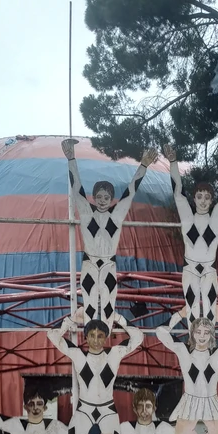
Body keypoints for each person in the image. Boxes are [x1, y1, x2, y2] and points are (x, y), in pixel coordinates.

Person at [47, 313, 143, 434]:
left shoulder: (114, 354)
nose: (97, 340)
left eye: (101, 335)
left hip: (107, 408)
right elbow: (52, 335)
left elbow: (139, 337)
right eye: (92, 335)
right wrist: (72, 319)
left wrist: (120, 319)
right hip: (85, 408)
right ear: (86, 337)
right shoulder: (78, 354)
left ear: (106, 337)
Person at [63, 138, 159, 324]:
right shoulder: (86, 212)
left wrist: (144, 165)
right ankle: (89, 340)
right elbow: (77, 189)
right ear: (94, 197)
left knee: (108, 305)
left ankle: (106, 339)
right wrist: (71, 159)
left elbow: (130, 192)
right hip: (90, 264)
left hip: (108, 265)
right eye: (99, 196)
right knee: (90, 304)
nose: (102, 200)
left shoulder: (116, 215)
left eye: (106, 197)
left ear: (112, 198)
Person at [162, 143, 218, 324]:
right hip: (190, 270)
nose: (203, 201)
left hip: (209, 270)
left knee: (211, 310)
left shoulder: (216, 218)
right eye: (199, 196)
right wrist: (173, 162)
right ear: (194, 199)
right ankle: (192, 344)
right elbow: (178, 193)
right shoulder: (188, 217)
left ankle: (209, 347)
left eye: (207, 197)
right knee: (192, 309)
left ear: (211, 201)